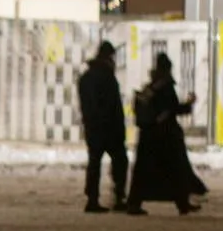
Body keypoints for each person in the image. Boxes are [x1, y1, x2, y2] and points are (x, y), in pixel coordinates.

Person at [124, 52, 206, 216]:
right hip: (166, 137)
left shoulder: (151, 86)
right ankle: (182, 203)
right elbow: (172, 109)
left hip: (149, 136)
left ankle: (135, 202)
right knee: (176, 170)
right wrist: (189, 104)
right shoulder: (166, 87)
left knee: (144, 171)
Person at [78, 40, 128, 213]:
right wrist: (118, 127)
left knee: (94, 163)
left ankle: (92, 199)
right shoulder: (107, 77)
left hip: (93, 128)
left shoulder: (86, 77)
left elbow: (87, 105)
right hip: (109, 128)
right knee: (120, 161)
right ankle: (119, 197)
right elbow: (113, 105)